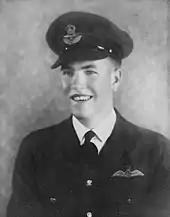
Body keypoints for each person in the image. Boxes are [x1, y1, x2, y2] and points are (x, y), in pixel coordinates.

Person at [6, 11, 170, 217]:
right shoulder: (35, 151)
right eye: (68, 72)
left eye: (89, 72)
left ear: (116, 79)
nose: (76, 84)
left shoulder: (155, 152)